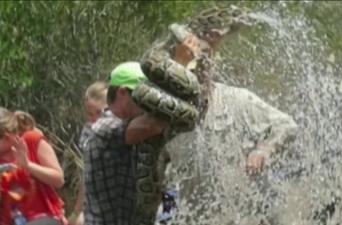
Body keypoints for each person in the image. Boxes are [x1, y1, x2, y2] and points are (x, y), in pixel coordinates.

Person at [160, 32, 298, 222]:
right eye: (190, 73)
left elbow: (287, 125)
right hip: (199, 217)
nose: (198, 75)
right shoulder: (165, 113)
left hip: (252, 215)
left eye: (203, 69)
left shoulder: (239, 100)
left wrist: (264, 150)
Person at [83, 62, 168, 225]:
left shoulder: (135, 129)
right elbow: (155, 123)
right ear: (123, 93)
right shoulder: (103, 126)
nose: (148, 106)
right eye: (144, 99)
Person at [0, 109, 67, 225]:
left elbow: (59, 180)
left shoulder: (31, 140)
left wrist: (27, 165)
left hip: (43, 217)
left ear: (7, 137)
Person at [68, 81, 108, 225]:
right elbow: (88, 176)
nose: (94, 119)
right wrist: (76, 212)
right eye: (90, 114)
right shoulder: (88, 133)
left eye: (99, 112)